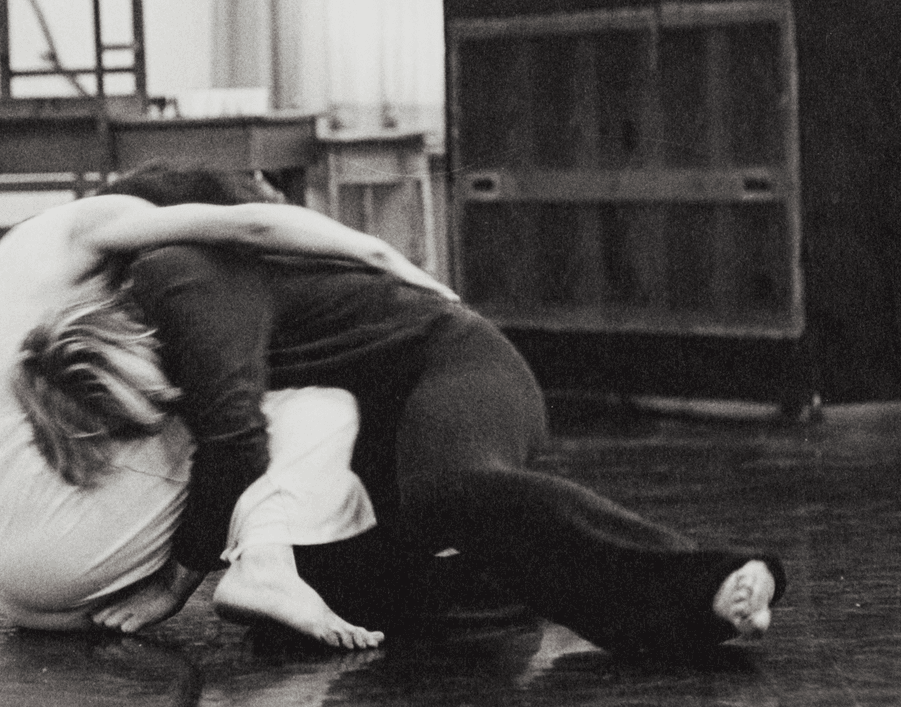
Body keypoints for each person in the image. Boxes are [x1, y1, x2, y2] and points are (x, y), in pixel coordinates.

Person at [68, 171, 787, 656]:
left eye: (132, 399)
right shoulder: (163, 308)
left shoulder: (176, 281)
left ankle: (708, 580)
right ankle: (511, 582)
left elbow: (233, 445)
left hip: (456, 367)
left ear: (109, 341)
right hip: (390, 422)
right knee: (299, 621)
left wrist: (173, 583)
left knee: (446, 488)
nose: (158, 408)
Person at [0, 191, 454, 648]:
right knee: (303, 409)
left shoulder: (15, 267)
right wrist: (379, 252)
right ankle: (265, 567)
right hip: (69, 557)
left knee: (152, 396)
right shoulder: (99, 223)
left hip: (13, 584)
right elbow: (251, 224)